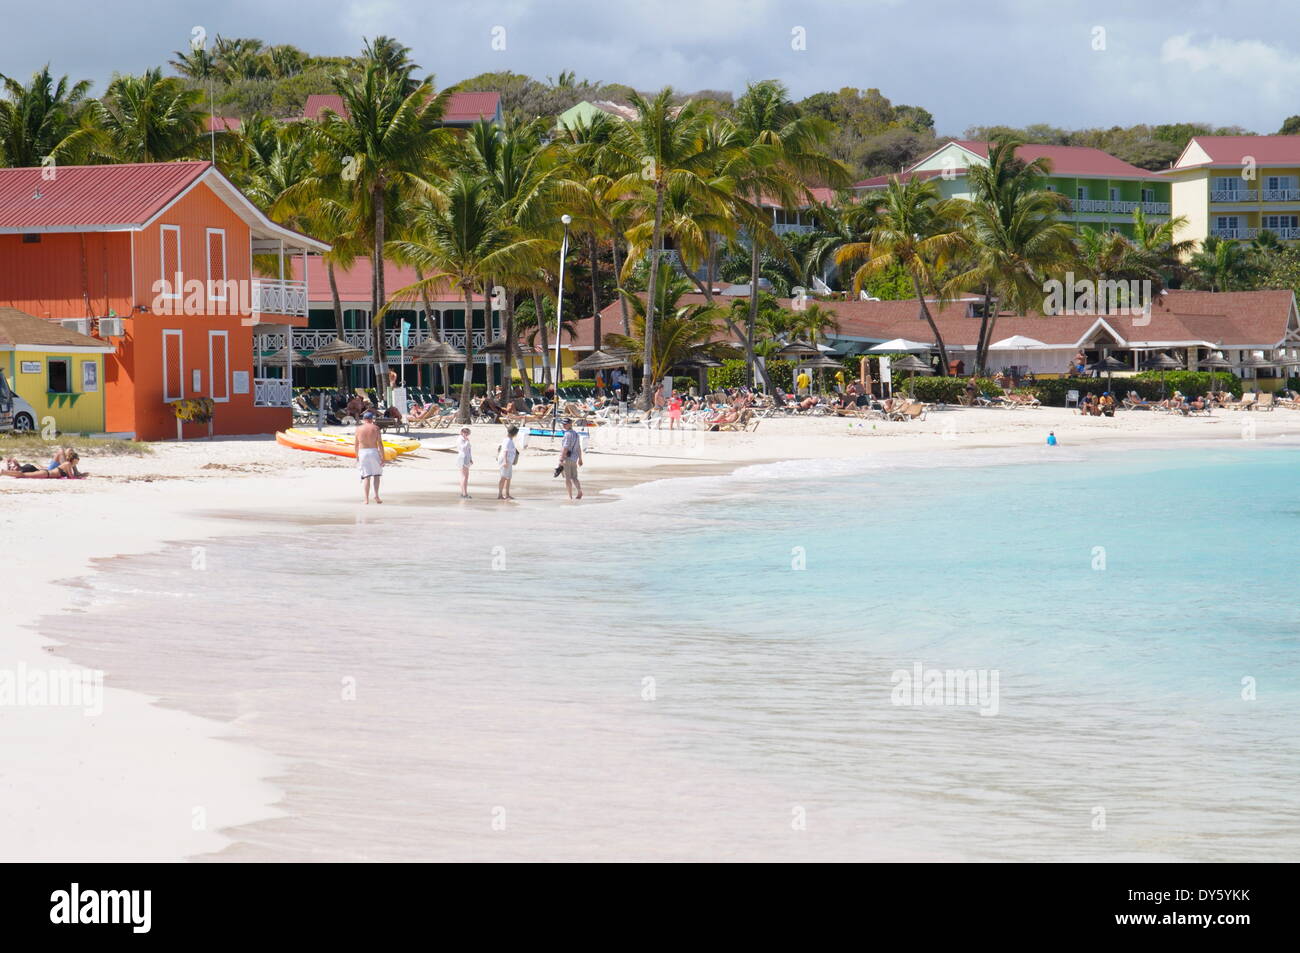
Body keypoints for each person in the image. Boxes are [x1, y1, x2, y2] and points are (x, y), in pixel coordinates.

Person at [354, 411, 383, 503]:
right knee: (376, 475)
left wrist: (357, 456)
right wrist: (382, 457)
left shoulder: (358, 429)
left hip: (363, 452)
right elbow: (380, 444)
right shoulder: (376, 428)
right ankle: (376, 496)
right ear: (372, 419)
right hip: (373, 452)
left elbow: (356, 444)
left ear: (364, 419)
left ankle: (366, 499)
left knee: (366, 476)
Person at [4, 451, 85, 479]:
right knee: (23, 475)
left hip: (46, 473)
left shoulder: (67, 464)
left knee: (23, 475)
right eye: (77, 461)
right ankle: (4, 472)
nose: (77, 463)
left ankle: (4, 472)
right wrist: (80, 476)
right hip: (46, 474)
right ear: (74, 460)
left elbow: (70, 476)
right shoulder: (67, 464)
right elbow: (71, 477)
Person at [560, 417, 583, 500]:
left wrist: (561, 459)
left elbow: (565, 448)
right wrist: (580, 459)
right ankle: (579, 491)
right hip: (574, 459)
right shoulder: (576, 434)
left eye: (565, 424)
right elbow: (578, 447)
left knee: (567, 478)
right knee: (574, 477)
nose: (564, 425)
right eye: (563, 423)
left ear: (570, 424)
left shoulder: (567, 434)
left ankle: (569, 496)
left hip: (567, 458)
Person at [497, 424, 520, 500]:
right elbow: (505, 451)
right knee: (503, 477)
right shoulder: (507, 441)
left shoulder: (509, 440)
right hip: (505, 460)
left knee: (508, 477)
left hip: (508, 460)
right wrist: (505, 462)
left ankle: (507, 494)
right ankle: (500, 494)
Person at [457, 427, 473, 499]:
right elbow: (463, 448)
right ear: (461, 432)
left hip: (466, 457)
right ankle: (464, 494)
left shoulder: (466, 439)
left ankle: (464, 493)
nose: (466, 433)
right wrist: (466, 441)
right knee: (464, 476)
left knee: (465, 476)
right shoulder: (460, 439)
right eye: (464, 432)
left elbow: (469, 450)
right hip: (462, 457)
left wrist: (471, 458)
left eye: (467, 432)